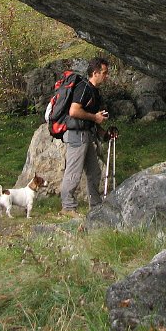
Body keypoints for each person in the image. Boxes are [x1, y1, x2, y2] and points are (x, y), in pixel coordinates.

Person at [60, 57, 112, 217]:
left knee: (94, 171)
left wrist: (102, 132)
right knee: (73, 172)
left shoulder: (94, 91)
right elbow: (74, 111)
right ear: (95, 73)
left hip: (87, 135)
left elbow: (91, 117)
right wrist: (95, 118)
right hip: (77, 136)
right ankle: (68, 207)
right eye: (104, 73)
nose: (106, 76)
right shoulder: (83, 88)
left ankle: (96, 206)